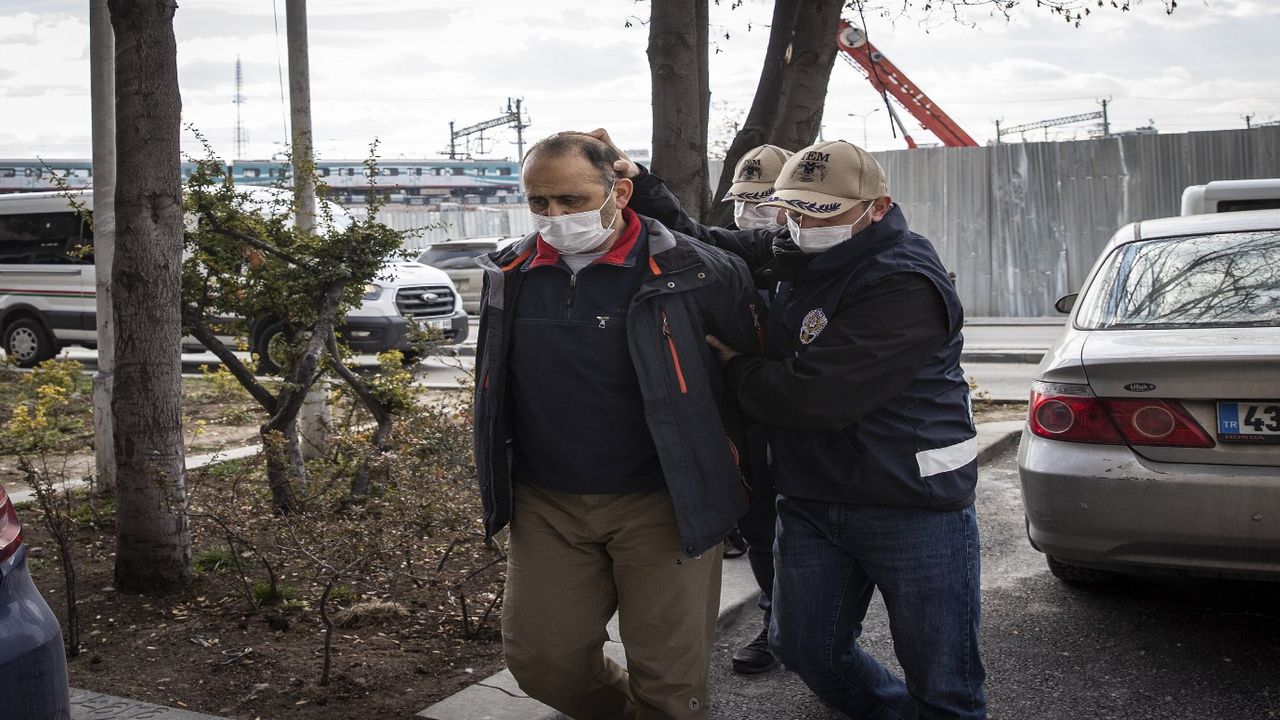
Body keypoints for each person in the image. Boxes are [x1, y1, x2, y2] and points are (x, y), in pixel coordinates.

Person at [612, 136, 987, 719]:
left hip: (909, 504)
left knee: (943, 681)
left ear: (877, 208)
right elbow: (706, 245)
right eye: (792, 208)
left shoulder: (903, 281)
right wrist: (640, 180)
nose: (801, 223)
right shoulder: (797, 249)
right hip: (813, 495)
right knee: (805, 646)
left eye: (822, 211)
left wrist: (733, 367)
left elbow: (815, 395)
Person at [471, 132, 764, 720]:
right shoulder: (510, 272)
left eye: (571, 201)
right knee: (542, 661)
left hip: (667, 505)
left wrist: (741, 490)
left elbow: (750, 382)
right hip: (547, 505)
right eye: (538, 203)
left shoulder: (699, 271)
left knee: (670, 683)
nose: (553, 216)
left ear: (619, 191)